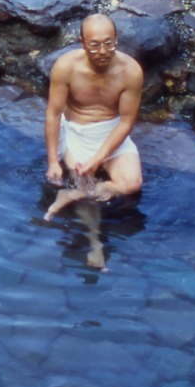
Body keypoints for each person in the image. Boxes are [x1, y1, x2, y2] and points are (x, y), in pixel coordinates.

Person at [42, 13, 144, 269]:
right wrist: (53, 161)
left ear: (116, 40)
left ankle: (71, 194)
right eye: (95, 44)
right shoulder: (66, 67)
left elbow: (126, 122)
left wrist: (98, 158)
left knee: (132, 184)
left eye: (109, 43)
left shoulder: (130, 70)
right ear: (81, 43)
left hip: (112, 131)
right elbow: (53, 114)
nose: (102, 51)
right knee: (87, 183)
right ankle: (95, 243)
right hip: (76, 131)